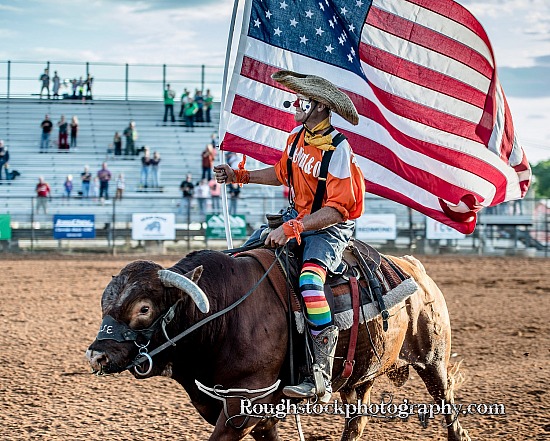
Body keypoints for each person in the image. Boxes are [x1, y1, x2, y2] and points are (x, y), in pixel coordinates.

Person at [214, 70, 365, 403]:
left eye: (302, 100)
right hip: (295, 218)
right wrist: (240, 174)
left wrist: (294, 228)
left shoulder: (338, 149)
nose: (295, 105)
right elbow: (281, 172)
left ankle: (320, 374)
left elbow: (338, 209)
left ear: (320, 107)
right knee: (242, 257)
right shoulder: (296, 136)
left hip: (328, 228)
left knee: (310, 282)